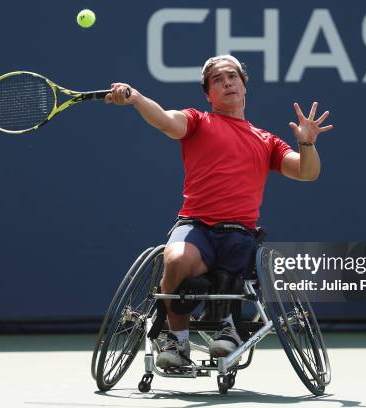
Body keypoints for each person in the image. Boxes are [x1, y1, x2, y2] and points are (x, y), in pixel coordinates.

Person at [105, 55, 332, 369]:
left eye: (233, 77)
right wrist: (137, 98)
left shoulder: (267, 141)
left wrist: (307, 144)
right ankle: (177, 342)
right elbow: (165, 120)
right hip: (194, 225)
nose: (227, 82)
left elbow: (307, 173)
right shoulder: (198, 121)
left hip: (238, 232)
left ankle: (228, 325)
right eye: (217, 79)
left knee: (236, 256)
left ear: (243, 87)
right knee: (176, 258)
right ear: (208, 94)